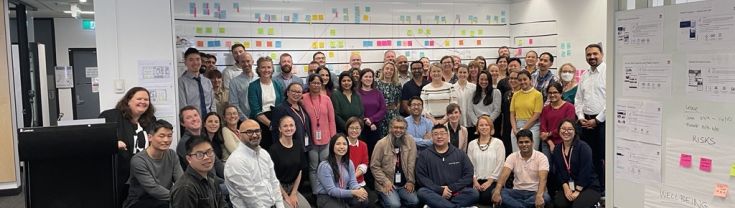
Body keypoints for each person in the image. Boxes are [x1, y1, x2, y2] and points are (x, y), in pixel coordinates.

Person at [99, 87, 156, 207]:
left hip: (141, 175)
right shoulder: (111, 116)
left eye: (146, 99)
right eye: (139, 98)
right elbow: (98, 138)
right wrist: (113, 142)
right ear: (128, 101)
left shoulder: (150, 120)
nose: (143, 102)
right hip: (118, 175)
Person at [123, 120, 183, 208]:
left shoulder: (172, 154)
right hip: (139, 201)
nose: (166, 140)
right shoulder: (138, 160)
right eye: (161, 136)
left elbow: (181, 181)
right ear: (150, 137)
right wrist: (180, 197)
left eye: (169, 136)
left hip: (165, 199)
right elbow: (153, 189)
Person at [416, 125, 478, 207]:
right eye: (436, 134)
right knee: (422, 192)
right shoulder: (424, 155)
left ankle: (439, 205)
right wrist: (440, 190)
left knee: (474, 193)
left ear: (448, 136)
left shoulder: (460, 153)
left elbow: (469, 174)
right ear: (432, 137)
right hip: (435, 193)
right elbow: (421, 177)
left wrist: (451, 188)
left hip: (456, 193)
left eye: (442, 133)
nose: (439, 136)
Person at [225, 119, 284, 207]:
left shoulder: (264, 154)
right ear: (239, 134)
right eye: (249, 132)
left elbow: (274, 182)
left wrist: (280, 205)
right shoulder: (236, 161)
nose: (255, 135)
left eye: (257, 131)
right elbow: (251, 199)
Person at [575, 44, 606, 191]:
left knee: (602, 157)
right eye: (588, 55)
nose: (592, 57)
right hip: (585, 122)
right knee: (589, 157)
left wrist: (597, 120)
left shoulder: (608, 72)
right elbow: (578, 99)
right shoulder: (585, 75)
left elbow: (611, 100)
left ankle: (604, 187)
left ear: (602, 54)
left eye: (595, 54)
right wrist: (580, 117)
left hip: (602, 122)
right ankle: (592, 186)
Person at [492, 129, 552, 208]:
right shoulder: (512, 156)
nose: (524, 144)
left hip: (535, 192)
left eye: (527, 142)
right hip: (517, 191)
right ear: (517, 143)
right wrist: (497, 191)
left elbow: (543, 179)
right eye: (521, 142)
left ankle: (514, 205)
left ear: (532, 142)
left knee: (546, 197)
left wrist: (539, 195)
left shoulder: (541, 157)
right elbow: (504, 175)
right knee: (495, 191)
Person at [551, 120, 601, 208]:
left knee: (578, 206)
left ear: (575, 131)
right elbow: (558, 171)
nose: (566, 131)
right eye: (563, 129)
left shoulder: (583, 147)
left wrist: (578, 190)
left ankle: (595, 205)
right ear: (559, 131)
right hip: (569, 185)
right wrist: (565, 187)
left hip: (588, 186)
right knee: (559, 203)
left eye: (570, 129)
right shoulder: (557, 149)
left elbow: (586, 171)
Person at [371, 118, 419, 208]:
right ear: (390, 128)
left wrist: (411, 181)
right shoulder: (381, 143)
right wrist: (385, 182)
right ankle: (382, 199)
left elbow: (411, 164)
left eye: (401, 128)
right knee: (395, 205)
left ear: (405, 129)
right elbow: (374, 166)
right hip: (387, 183)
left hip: (404, 184)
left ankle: (395, 199)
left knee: (415, 201)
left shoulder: (410, 141)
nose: (398, 130)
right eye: (395, 127)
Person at [303, 74, 338, 194]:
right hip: (311, 139)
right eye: (314, 82)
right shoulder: (303, 98)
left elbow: (332, 120)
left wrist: (333, 138)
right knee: (313, 167)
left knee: (325, 166)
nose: (316, 85)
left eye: (319, 83)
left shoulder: (327, 99)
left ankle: (327, 190)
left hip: (326, 139)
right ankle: (315, 192)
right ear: (309, 84)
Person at [170, 137, 227, 208]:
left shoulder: (212, 178)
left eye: (209, 152)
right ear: (189, 159)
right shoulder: (185, 188)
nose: (206, 157)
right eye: (200, 154)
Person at [316, 134, 370, 207]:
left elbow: (353, 182)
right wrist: (354, 192)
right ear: (332, 146)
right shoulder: (325, 166)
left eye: (344, 144)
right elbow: (332, 191)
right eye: (338, 144)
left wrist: (359, 190)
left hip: (343, 193)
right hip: (326, 196)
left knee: (364, 200)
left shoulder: (349, 162)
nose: (342, 147)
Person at [270, 116, 312, 208]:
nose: (289, 128)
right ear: (280, 129)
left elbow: (300, 170)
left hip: (294, 188)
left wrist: (293, 193)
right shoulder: (274, 150)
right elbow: (273, 178)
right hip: (279, 189)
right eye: (285, 126)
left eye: (291, 125)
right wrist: (285, 196)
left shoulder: (298, 144)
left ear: (295, 127)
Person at [177, 106, 225, 178]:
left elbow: (216, 162)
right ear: (182, 123)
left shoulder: (203, 137)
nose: (194, 119)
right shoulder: (184, 143)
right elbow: (202, 171)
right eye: (189, 117)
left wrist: (229, 179)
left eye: (196, 115)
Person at [467, 115, 505, 206]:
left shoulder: (498, 143)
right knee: (472, 195)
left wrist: (490, 181)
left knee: (486, 197)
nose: (484, 127)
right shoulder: (472, 144)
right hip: (476, 181)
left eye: (486, 125)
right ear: (477, 128)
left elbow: (500, 164)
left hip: (492, 181)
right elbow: (470, 165)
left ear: (491, 127)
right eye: (481, 125)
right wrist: (475, 181)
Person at [248, 56, 284, 150]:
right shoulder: (253, 86)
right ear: (258, 69)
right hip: (260, 122)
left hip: (276, 120)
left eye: (269, 67)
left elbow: (282, 105)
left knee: (277, 149)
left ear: (272, 69)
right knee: (263, 150)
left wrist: (277, 123)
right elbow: (255, 111)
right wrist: (271, 124)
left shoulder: (278, 84)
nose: (266, 70)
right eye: (263, 67)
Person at [270, 83, 312, 150]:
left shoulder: (301, 107)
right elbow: (275, 131)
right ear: (287, 93)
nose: (296, 94)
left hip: (304, 145)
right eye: (293, 91)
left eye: (299, 92)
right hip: (289, 148)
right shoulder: (280, 109)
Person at [540, 82, 577, 157]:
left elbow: (568, 127)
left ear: (561, 93)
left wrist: (549, 134)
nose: (552, 95)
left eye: (555, 92)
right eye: (550, 93)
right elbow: (543, 129)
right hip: (548, 142)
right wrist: (550, 143)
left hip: (564, 141)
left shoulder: (569, 107)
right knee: (547, 166)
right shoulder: (545, 109)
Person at [510, 71, 543, 152]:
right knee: (517, 154)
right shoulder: (515, 95)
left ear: (530, 80)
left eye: (525, 79)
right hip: (516, 126)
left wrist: (523, 129)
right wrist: (515, 130)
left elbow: (537, 115)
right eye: (520, 80)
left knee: (532, 154)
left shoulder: (538, 95)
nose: (522, 82)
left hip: (532, 126)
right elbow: (512, 114)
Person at [179, 48, 216, 116]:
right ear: (185, 62)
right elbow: (184, 108)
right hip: (192, 122)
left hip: (208, 122)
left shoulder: (207, 82)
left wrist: (213, 118)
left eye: (197, 59)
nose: (195, 62)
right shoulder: (181, 82)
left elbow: (213, 106)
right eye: (191, 60)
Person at [357, 68, 387, 153]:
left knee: (374, 151)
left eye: (370, 77)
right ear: (361, 79)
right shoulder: (356, 93)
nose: (368, 79)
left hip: (375, 127)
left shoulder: (377, 93)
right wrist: (366, 120)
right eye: (366, 76)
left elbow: (383, 109)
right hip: (360, 127)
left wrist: (372, 120)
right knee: (362, 151)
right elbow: (356, 109)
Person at [469, 71, 502, 139]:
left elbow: (497, 110)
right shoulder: (473, 93)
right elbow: (470, 110)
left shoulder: (496, 92)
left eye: (486, 79)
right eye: (481, 79)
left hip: (491, 125)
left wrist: (487, 123)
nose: (483, 82)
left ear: (489, 80)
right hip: (477, 126)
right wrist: (478, 124)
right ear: (478, 80)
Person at [376, 62, 402, 138]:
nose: (389, 71)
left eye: (391, 70)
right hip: (380, 114)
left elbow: (398, 101)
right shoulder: (376, 83)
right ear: (383, 70)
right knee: (382, 137)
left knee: (393, 135)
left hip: (393, 114)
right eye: (387, 69)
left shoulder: (397, 85)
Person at [228, 52, 255, 119]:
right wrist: (245, 119)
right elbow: (234, 104)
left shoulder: (259, 78)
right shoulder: (234, 82)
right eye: (243, 62)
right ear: (239, 63)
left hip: (261, 118)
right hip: (244, 119)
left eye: (248, 61)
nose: (246, 64)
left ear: (252, 62)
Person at [500, 71, 520, 156]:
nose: (513, 80)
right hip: (506, 127)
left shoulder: (523, 94)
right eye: (511, 78)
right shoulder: (506, 94)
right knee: (508, 151)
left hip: (518, 125)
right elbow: (503, 113)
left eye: (515, 78)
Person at [345, 117, 370, 187]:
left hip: (359, 182)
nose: (354, 130)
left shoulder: (363, 145)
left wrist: (353, 177)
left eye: (357, 128)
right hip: (343, 182)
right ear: (347, 129)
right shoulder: (342, 143)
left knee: (363, 197)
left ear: (361, 130)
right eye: (351, 128)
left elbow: (365, 164)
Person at [453, 65, 476, 135]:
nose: (462, 74)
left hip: (472, 123)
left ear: (468, 73)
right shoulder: (452, 88)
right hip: (457, 123)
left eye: (464, 72)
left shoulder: (474, 87)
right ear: (457, 73)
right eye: (460, 72)